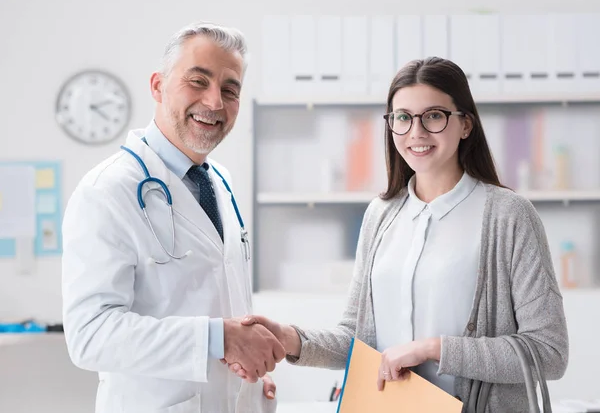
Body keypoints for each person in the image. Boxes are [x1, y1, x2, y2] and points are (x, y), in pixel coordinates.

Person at [229, 57, 569, 412]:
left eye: (434, 116)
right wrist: (290, 339)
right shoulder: (381, 214)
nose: (416, 133)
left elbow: (549, 352)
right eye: (402, 118)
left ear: (465, 124)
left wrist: (433, 349)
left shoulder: (508, 216)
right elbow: (359, 342)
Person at [61, 22, 285, 413]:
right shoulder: (106, 190)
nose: (215, 102)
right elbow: (89, 335)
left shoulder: (221, 182)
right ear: (157, 86)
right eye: (198, 81)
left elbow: (213, 299)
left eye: (229, 89)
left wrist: (246, 375)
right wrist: (221, 340)